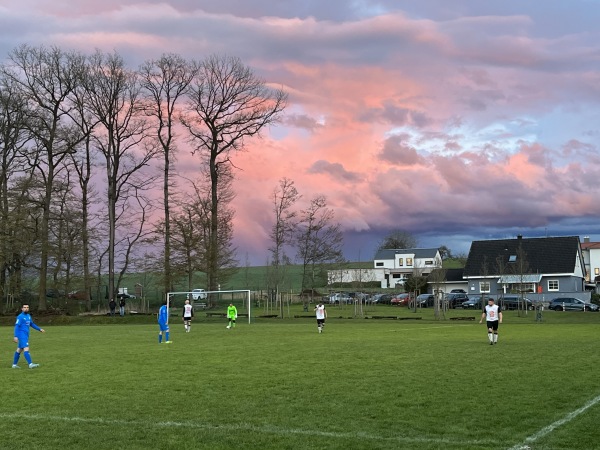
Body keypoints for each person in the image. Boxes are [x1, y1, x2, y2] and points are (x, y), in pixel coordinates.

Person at [13, 304, 45, 369]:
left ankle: (14, 365)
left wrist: (39, 329)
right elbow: (16, 326)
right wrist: (16, 336)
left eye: (27, 307)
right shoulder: (20, 317)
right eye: (24, 307)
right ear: (22, 309)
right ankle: (30, 364)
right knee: (26, 348)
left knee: (19, 349)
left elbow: (31, 324)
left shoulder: (28, 316)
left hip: (26, 335)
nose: (26, 308)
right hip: (22, 335)